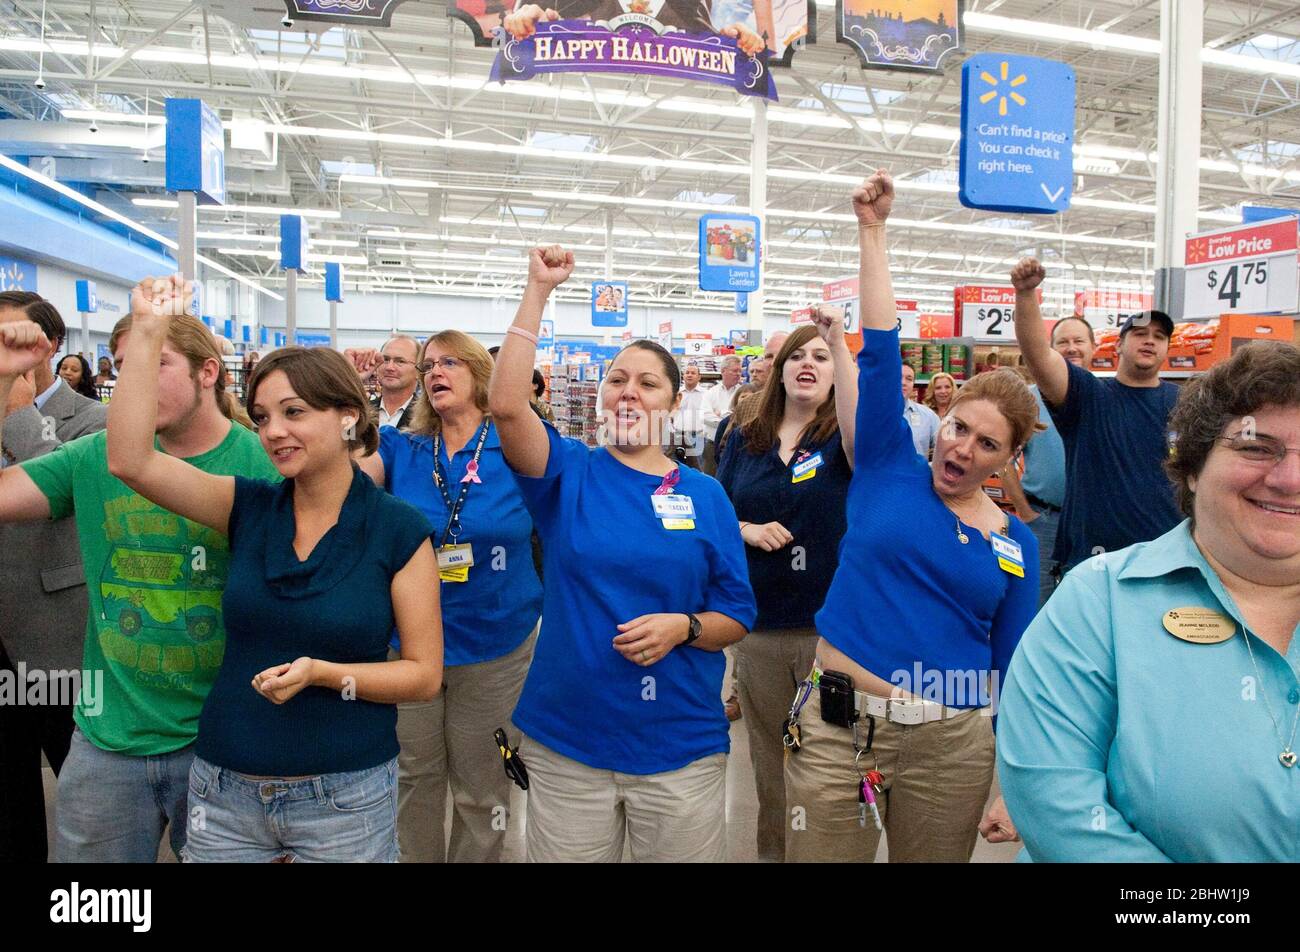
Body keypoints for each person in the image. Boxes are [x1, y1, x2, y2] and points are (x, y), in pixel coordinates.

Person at [107, 275, 442, 863]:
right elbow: (131, 460)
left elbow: (422, 675)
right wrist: (149, 330)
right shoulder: (247, 507)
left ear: (345, 416)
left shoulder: (398, 531)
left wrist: (323, 673)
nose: (273, 432)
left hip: (347, 794)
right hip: (224, 787)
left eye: (294, 412)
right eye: (261, 417)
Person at [784, 170, 1043, 863]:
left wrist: (1013, 783)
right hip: (837, 731)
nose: (962, 447)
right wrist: (872, 231)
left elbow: (1014, 665)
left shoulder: (1017, 543)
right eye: (958, 427)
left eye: (987, 444)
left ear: (1010, 459)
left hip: (950, 747)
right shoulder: (887, 463)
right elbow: (881, 347)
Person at [489, 244, 756, 863]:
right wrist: (538, 290)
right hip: (570, 742)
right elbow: (505, 406)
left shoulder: (707, 495)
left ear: (670, 401)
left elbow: (736, 615)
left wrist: (684, 627)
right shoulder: (568, 474)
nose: (628, 392)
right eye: (617, 379)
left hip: (678, 745)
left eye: (647, 382)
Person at [997, 341, 1300, 861]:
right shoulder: (1099, 601)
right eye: (1255, 447)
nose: (1290, 478)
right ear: (1194, 465)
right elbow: (1057, 805)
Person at [0, 295, 277, 863]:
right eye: (125, 367)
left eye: (156, 363)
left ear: (208, 373)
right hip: (109, 743)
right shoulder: (92, 457)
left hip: (228, 741)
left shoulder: (263, 466)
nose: (136, 383)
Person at [354, 329, 542, 864]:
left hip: (496, 644)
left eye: (450, 362)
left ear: (481, 375)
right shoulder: (402, 448)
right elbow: (338, 479)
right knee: (414, 775)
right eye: (429, 364)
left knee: (482, 785)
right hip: (410, 641)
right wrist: (352, 394)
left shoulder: (518, 447)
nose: (436, 372)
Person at [716, 314, 856, 862]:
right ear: (778, 371)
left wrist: (843, 345)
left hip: (831, 632)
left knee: (831, 767)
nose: (807, 364)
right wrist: (745, 529)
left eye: (821, 358)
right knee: (771, 770)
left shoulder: (844, 440)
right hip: (761, 627)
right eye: (798, 355)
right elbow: (715, 511)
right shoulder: (743, 438)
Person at [0, 293, 107, 862]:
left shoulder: (94, 417)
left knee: (85, 795)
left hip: (58, 633)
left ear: (49, 345)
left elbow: (65, 496)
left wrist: (17, 407)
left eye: (9, 335)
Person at [1012, 259, 1181, 576]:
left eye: (1159, 337)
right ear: (1118, 345)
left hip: (1165, 561)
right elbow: (1038, 354)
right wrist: (1025, 294)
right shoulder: (1088, 396)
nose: (1149, 340)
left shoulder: (1184, 403)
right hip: (1092, 564)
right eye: (1140, 333)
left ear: (1167, 348)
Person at [1001, 316, 1095, 606]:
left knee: (1088, 604)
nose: (1071, 348)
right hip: (1044, 521)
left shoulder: (1107, 400)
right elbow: (1002, 459)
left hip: (1093, 524)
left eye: (1079, 341)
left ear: (1094, 346)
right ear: (1050, 350)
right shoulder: (1029, 401)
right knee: (1035, 602)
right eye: (1063, 342)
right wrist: (1025, 511)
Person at [504, 1, 769, 56]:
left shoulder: (692, 7)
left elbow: (714, 40)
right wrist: (529, 14)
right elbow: (538, 16)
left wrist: (740, 40)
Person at [366, 336, 422, 430]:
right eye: (386, 360)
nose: (389, 367)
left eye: (400, 361)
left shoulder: (430, 417)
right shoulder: (362, 411)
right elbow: (347, 438)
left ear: (418, 370)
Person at [702, 355, 743, 474]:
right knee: (710, 477)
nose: (738, 374)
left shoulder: (743, 392)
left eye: (740, 371)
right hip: (712, 444)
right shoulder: (710, 392)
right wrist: (730, 418)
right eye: (735, 370)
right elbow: (705, 416)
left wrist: (721, 413)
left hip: (736, 445)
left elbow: (742, 417)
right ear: (723, 371)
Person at [672, 362, 708, 468]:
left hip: (698, 437)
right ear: (683, 375)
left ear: (699, 377)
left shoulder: (706, 394)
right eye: (687, 372)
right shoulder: (676, 393)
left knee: (697, 466)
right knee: (676, 465)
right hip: (678, 434)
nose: (689, 375)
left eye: (693, 373)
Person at [902, 361, 940, 458]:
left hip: (915, 472)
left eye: (909, 379)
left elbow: (945, 450)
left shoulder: (928, 416)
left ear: (913, 384)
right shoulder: (874, 415)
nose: (903, 383)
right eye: (898, 377)